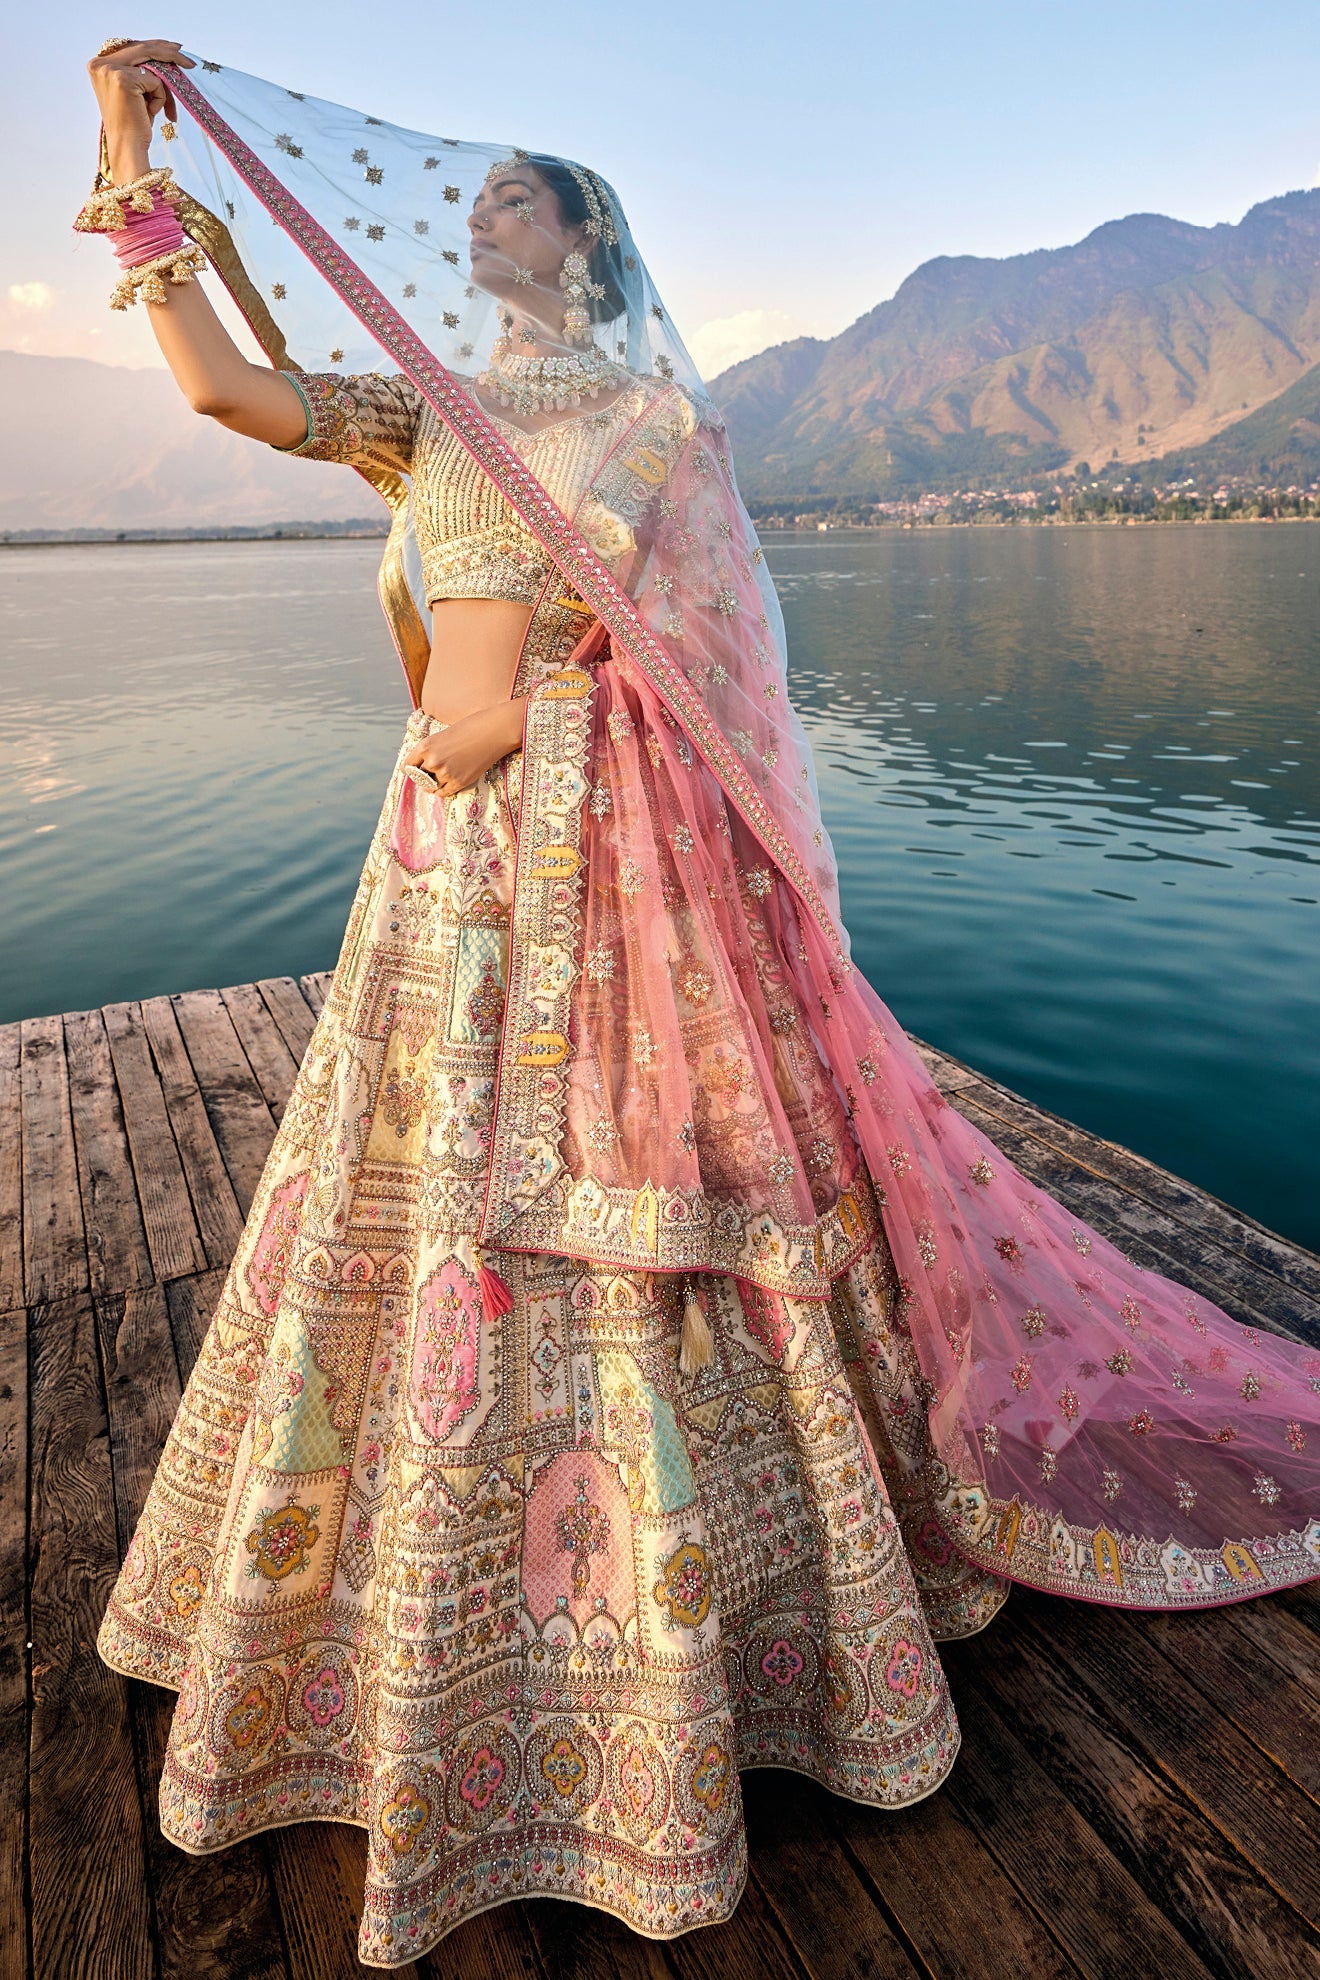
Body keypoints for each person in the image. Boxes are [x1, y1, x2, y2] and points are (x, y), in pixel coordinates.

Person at [84, 40, 1320, 1971]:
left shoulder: (653, 423)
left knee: (651, 1196)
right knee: (421, 1201)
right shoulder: (434, 409)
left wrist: (539, 713)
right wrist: (130, 165)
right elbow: (231, 391)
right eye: (474, 196)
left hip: (602, 854)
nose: (480, 213)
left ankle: (720, 1617)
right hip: (441, 866)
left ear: (588, 242)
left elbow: (708, 663)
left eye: (517, 194)